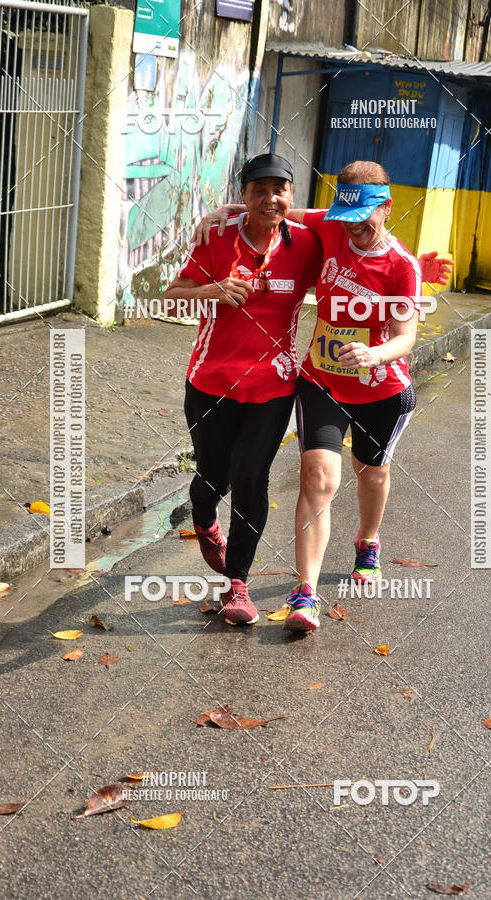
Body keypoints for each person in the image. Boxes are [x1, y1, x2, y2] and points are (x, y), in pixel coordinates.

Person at [197, 161, 450, 633]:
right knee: (319, 476)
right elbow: (278, 211)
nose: (354, 226)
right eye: (347, 215)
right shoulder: (331, 226)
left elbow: (406, 336)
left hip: (381, 388)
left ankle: (368, 542)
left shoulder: (402, 266)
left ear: (388, 208)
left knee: (371, 474)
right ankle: (305, 592)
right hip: (323, 382)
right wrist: (226, 210)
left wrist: (375, 354)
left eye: (365, 218)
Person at [162, 153, 323, 626]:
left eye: (281, 189)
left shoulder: (307, 245)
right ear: (244, 194)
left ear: (292, 195)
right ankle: (205, 516)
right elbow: (170, 298)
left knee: (252, 476)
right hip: (211, 381)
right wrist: (212, 290)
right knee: (214, 476)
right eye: (259, 190)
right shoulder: (216, 238)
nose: (271, 198)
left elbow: (348, 234)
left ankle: (237, 586)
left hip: (273, 384)